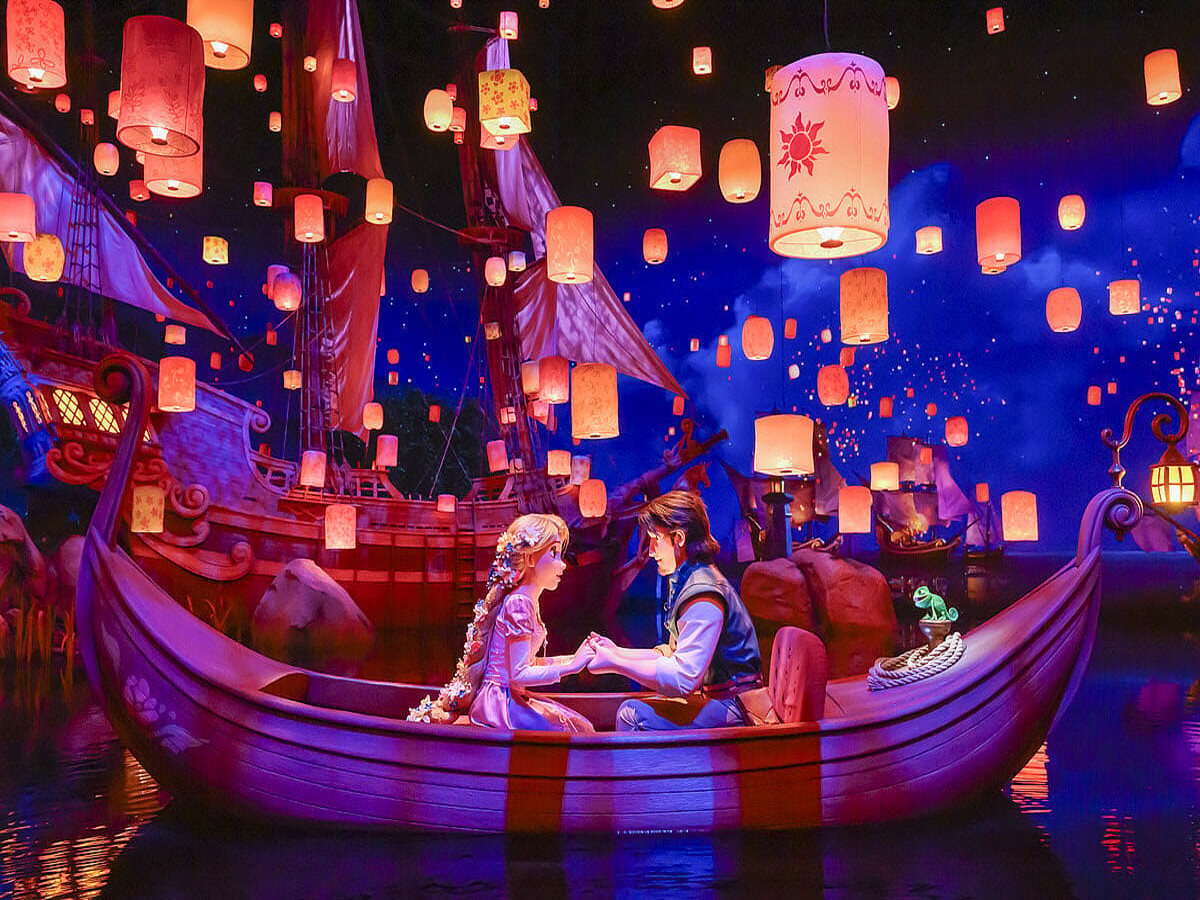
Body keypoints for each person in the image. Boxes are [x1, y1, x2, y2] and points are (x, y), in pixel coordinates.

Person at [586, 491, 762, 731]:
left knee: (631, 714)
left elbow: (683, 678)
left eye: (655, 539)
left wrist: (615, 663)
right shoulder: (690, 579)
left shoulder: (703, 594)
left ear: (678, 538)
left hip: (734, 706)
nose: (650, 551)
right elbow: (672, 655)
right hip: (721, 699)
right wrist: (617, 652)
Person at [407, 513, 595, 732]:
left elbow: (529, 663)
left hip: (509, 696)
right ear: (530, 559)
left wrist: (575, 658)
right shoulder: (519, 604)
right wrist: (571, 667)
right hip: (499, 703)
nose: (562, 564)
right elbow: (519, 674)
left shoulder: (527, 601)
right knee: (574, 731)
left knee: (580, 726)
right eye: (553, 553)